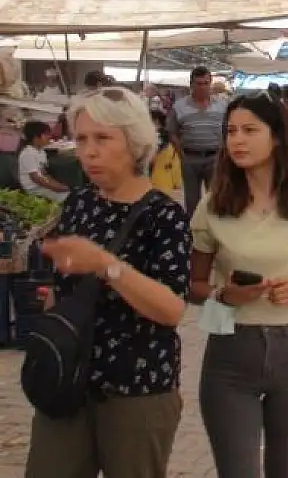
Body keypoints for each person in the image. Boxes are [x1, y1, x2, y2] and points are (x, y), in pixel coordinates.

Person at [25, 87, 191, 478]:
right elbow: (63, 287)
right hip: (68, 381)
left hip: (137, 387)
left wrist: (105, 264)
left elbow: (171, 310)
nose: (89, 151)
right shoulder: (79, 203)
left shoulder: (164, 216)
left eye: (103, 138)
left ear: (134, 143)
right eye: (81, 139)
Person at [188, 92, 288, 478]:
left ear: (276, 136)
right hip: (229, 350)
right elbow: (193, 286)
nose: (237, 140)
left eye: (249, 130)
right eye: (231, 131)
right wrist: (224, 295)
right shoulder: (212, 206)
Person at [167, 66, 227, 218]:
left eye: (206, 83)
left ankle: (215, 231)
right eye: (198, 84)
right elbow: (172, 131)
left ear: (210, 83)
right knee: (192, 200)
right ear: (191, 84)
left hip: (214, 158)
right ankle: (193, 234)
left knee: (215, 197)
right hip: (190, 158)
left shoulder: (222, 106)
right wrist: (181, 153)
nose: (202, 87)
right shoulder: (179, 106)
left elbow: (230, 129)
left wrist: (224, 152)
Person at [18, 120, 69, 202]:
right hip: (34, 190)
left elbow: (45, 174)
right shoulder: (28, 153)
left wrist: (59, 186)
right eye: (46, 134)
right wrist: (56, 188)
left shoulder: (41, 152)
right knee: (67, 197)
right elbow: (36, 179)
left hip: (42, 187)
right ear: (36, 137)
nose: (49, 137)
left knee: (68, 193)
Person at [149, 109, 183, 197]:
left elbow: (152, 158)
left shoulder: (158, 136)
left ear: (156, 121)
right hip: (167, 180)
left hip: (157, 180)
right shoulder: (169, 136)